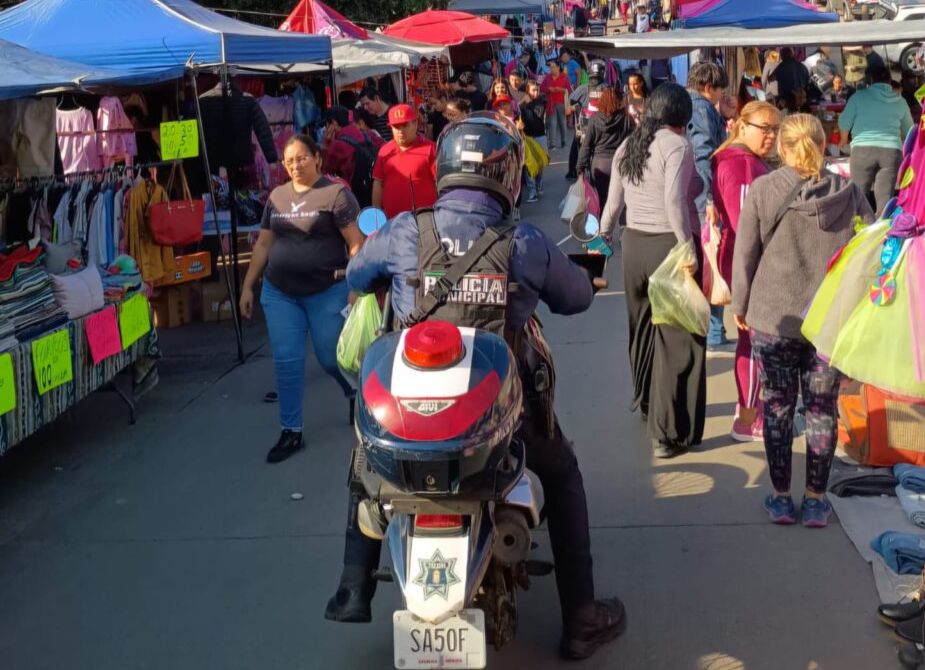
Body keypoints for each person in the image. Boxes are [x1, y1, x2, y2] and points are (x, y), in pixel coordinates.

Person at [324, 113, 627, 661]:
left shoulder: (403, 231)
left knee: (366, 465)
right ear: (508, 175)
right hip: (498, 424)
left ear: (442, 169)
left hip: (411, 423)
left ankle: (353, 586)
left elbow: (354, 276)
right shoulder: (526, 243)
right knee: (561, 473)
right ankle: (581, 616)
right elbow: (578, 297)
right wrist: (582, 274)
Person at [731, 114, 872, 527]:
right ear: (824, 143)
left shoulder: (763, 189)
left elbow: (745, 255)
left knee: (775, 406)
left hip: (774, 315)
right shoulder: (848, 192)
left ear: (784, 147)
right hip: (829, 318)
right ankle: (814, 499)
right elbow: (868, 251)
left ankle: (779, 497)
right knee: (822, 410)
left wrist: (740, 304)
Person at [240, 134, 363, 463]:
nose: (296, 165)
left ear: (317, 159)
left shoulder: (336, 194)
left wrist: (357, 282)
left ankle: (352, 390)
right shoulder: (277, 197)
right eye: (290, 160)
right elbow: (264, 244)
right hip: (280, 293)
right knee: (287, 361)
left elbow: (355, 243)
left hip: (327, 290)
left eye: (302, 158)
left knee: (330, 357)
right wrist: (248, 286)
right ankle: (291, 431)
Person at [599, 84, 706, 458]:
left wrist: (601, 243)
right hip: (666, 246)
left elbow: (612, 204)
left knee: (641, 327)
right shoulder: (677, 147)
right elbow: (674, 202)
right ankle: (665, 431)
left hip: (633, 246)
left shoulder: (629, 145)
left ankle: (644, 401)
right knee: (677, 340)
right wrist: (687, 245)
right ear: (682, 114)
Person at [709, 101, 781, 443]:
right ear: (742, 125)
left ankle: (748, 409)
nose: (771, 135)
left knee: (751, 338)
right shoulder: (740, 163)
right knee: (752, 339)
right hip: (746, 260)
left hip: (744, 258)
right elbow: (745, 226)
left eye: (775, 129)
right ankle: (748, 419)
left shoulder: (739, 159)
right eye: (764, 128)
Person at [686, 62, 730, 352]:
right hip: (704, 198)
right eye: (719, 90)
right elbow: (704, 154)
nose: (720, 95)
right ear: (708, 87)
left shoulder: (686, 104)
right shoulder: (701, 108)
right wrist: (711, 199)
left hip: (691, 196)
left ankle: (708, 328)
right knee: (713, 261)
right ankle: (713, 330)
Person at [838, 64, 914, 212]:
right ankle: (881, 232)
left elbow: (844, 122)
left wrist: (843, 140)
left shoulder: (859, 96)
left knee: (858, 198)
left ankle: (860, 231)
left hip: (862, 151)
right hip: (891, 153)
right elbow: (909, 130)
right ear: (889, 81)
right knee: (884, 200)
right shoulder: (900, 101)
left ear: (870, 80)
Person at [372, 104, 437, 218]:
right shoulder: (385, 151)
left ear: (415, 124)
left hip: (423, 223)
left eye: (405, 125)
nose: (400, 131)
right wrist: (377, 215)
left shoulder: (431, 149)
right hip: (392, 223)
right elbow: (378, 183)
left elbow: (440, 184)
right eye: (396, 127)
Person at [577, 86, 631, 210]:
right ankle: (623, 227)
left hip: (599, 165)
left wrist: (580, 167)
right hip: (620, 163)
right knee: (623, 201)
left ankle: (601, 227)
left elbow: (587, 146)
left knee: (601, 201)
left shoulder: (594, 119)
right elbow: (632, 141)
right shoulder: (626, 118)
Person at [541, 59, 572, 151]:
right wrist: (548, 89)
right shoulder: (548, 77)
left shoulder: (564, 77)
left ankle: (563, 141)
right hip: (551, 103)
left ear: (558, 67)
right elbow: (542, 87)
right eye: (550, 67)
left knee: (562, 123)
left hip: (561, 103)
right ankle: (552, 144)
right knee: (552, 123)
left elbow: (569, 90)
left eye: (553, 67)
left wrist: (562, 90)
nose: (551, 69)